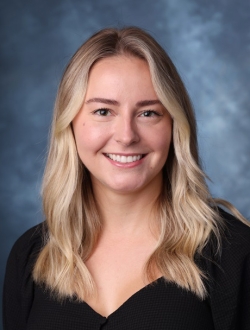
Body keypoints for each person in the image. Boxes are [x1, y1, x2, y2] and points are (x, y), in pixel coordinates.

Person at [3, 27, 250, 330]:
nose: (126, 136)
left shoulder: (234, 254)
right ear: (70, 123)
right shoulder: (30, 256)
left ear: (174, 125)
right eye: (104, 111)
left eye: (148, 113)